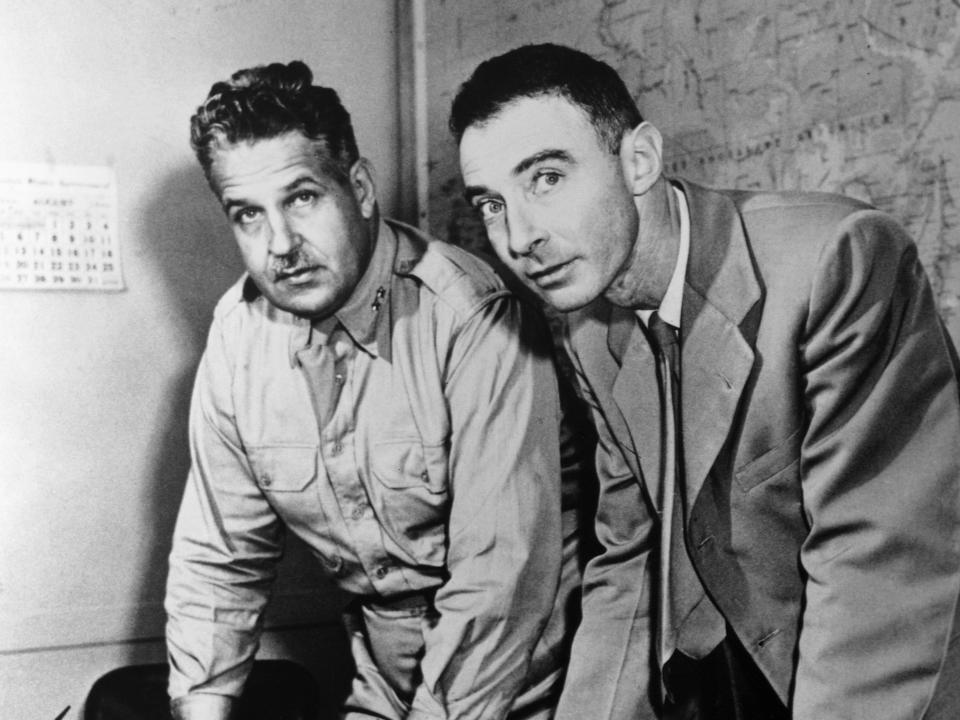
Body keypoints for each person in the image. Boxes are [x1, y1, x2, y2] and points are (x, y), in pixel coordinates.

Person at [450, 42, 960, 719]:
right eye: (491, 202)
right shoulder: (585, 330)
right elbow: (630, 556)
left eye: (545, 177)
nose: (518, 236)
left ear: (639, 161)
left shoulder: (837, 261)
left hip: (863, 668)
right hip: (715, 671)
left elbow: (879, 570)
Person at [165, 59, 588, 720]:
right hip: (388, 679)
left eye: (301, 198)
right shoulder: (238, 340)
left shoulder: (472, 317)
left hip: (531, 682)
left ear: (358, 188)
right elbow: (219, 563)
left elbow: (499, 586)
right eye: (248, 215)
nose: (280, 244)